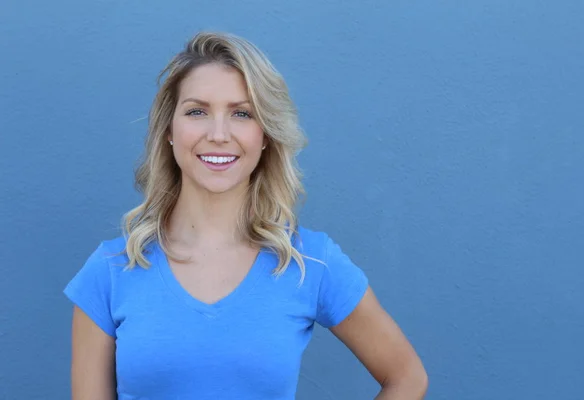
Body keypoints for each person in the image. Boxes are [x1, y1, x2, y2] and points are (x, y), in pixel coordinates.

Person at [64, 31, 428, 400]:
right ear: (169, 131)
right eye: (197, 112)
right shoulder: (109, 271)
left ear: (266, 134)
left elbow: (407, 377)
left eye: (242, 113)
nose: (219, 134)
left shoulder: (310, 263)